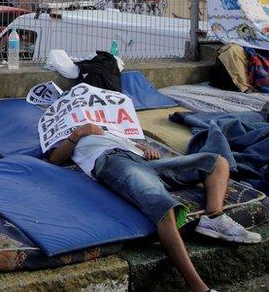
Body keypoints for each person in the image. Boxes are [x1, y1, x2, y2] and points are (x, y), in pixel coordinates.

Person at [48, 123, 262, 292]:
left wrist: (145, 148)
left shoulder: (108, 129)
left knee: (216, 161)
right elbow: (56, 158)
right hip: (112, 162)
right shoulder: (71, 132)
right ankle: (199, 287)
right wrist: (79, 133)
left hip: (141, 161)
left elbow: (135, 145)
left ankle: (213, 217)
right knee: (160, 203)